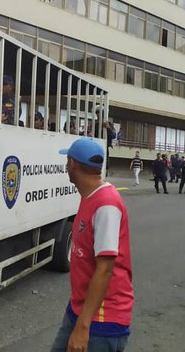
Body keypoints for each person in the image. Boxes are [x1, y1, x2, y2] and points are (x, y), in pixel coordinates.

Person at [52, 137, 133, 352]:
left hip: (102, 319)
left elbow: (105, 269)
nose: (66, 166)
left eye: (67, 161)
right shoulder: (90, 196)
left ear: (73, 164)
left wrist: (83, 327)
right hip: (80, 308)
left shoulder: (106, 205)